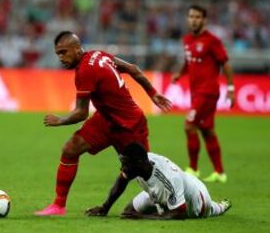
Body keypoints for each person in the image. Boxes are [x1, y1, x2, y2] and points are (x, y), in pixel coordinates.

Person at [34, 31, 172, 216]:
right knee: (70, 149)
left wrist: (60, 121)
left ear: (76, 49)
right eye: (58, 53)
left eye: (64, 52)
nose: (61, 58)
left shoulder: (85, 71)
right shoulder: (99, 55)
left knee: (143, 173)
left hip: (130, 125)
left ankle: (174, 202)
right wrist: (153, 92)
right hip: (106, 119)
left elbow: (81, 113)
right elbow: (134, 69)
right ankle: (58, 206)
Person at [172, 5, 235, 183]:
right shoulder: (186, 40)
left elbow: (226, 64)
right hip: (195, 92)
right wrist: (179, 73)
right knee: (207, 130)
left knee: (189, 126)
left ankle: (193, 169)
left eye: (198, 17)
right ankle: (219, 173)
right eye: (191, 16)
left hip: (207, 92)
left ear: (204, 20)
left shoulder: (212, 41)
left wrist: (231, 89)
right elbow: (188, 61)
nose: (194, 20)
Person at [85, 143, 232, 219]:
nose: (123, 168)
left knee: (210, 209)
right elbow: (121, 181)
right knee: (128, 213)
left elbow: (178, 213)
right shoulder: (139, 163)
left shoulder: (167, 179)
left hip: (197, 201)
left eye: (126, 164)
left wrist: (143, 217)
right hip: (178, 185)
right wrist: (104, 208)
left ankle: (220, 206)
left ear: (140, 163)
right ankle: (161, 208)